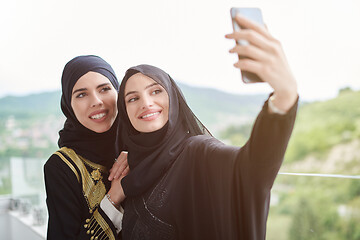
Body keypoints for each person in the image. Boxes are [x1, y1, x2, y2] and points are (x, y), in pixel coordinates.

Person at [117, 15, 298, 239]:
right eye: (133, 98)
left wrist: (284, 97)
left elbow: (253, 169)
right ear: (124, 112)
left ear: (173, 98)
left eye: (156, 91)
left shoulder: (197, 152)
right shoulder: (130, 169)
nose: (146, 103)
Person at [44, 55, 129, 240]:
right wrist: (114, 197)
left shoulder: (139, 145)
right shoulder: (62, 167)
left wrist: (138, 156)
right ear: (69, 105)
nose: (96, 101)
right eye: (81, 94)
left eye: (104, 89)